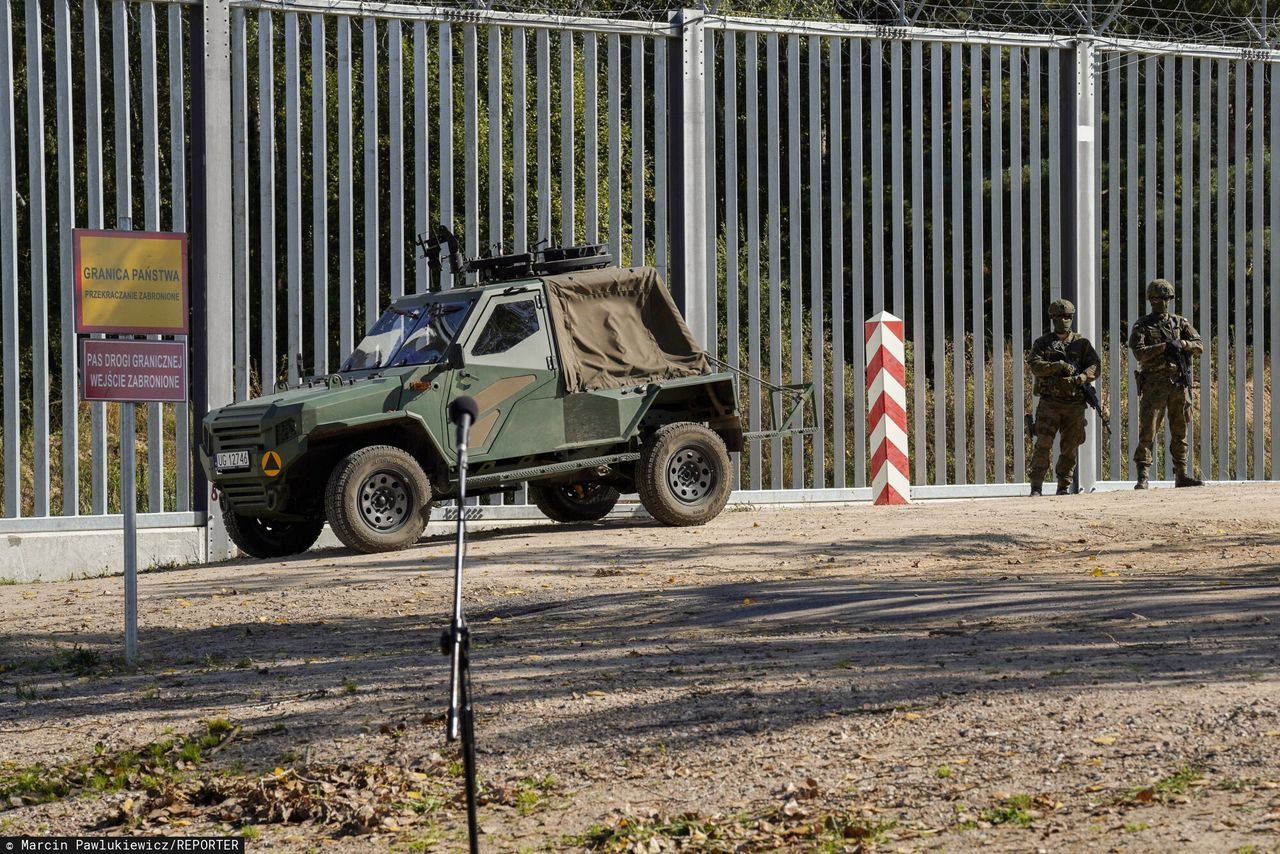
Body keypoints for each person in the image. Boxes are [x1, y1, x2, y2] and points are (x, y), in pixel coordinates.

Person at [1128, 278, 1204, 489]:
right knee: (1148, 432)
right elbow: (1139, 353)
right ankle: (1143, 476)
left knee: (1180, 432)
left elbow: (1200, 346)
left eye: (1164, 298)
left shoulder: (1180, 323)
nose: (1160, 302)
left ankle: (1181, 474)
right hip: (1154, 386)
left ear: (1170, 299)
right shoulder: (1142, 325)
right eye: (1155, 298)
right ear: (1149, 300)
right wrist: (1164, 347)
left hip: (1178, 385)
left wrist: (1184, 343)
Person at [1026, 299, 1102, 496]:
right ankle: (1036, 486)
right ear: (1053, 319)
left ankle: (1063, 485)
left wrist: (1081, 378)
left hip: (1074, 403)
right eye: (1060, 317)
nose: (1064, 320)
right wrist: (1057, 365)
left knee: (1070, 447)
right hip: (1050, 402)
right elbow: (1035, 365)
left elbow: (1095, 366)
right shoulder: (1043, 343)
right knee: (1043, 444)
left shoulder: (1082, 343)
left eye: (1068, 317)